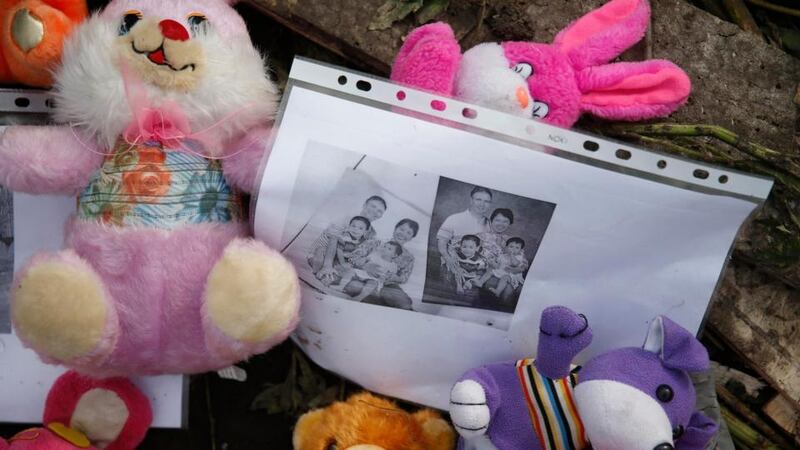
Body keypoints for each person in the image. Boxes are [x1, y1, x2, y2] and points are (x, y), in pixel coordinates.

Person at [344, 219, 420, 310]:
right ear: (395, 229)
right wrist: (366, 266)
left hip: (388, 285)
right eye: (401, 229)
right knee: (356, 291)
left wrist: (392, 277)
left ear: (412, 237)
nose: (403, 234)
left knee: (404, 303)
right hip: (364, 278)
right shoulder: (376, 242)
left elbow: (404, 278)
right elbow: (352, 257)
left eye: (408, 233)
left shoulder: (409, 257)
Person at [309, 195, 386, 280]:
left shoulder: (372, 233)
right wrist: (327, 266)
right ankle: (325, 271)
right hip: (323, 253)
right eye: (373, 206)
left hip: (341, 260)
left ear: (381, 216)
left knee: (361, 278)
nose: (374, 211)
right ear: (365, 205)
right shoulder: (345, 219)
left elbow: (359, 254)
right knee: (322, 267)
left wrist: (367, 265)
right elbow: (333, 240)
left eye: (379, 211)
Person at [436, 186, 492, 276]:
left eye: (486, 201)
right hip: (454, 264)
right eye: (478, 199)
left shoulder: (490, 224)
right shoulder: (454, 218)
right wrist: (448, 259)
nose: (482, 204)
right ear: (471, 200)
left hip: (478, 269)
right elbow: (442, 243)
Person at [331, 241, 402, 301]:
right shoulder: (375, 255)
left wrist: (384, 278)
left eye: (389, 249)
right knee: (351, 271)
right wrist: (364, 261)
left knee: (372, 284)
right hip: (364, 273)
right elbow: (365, 260)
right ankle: (340, 286)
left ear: (394, 255)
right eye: (385, 246)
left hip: (375, 278)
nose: (385, 249)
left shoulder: (393, 265)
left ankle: (360, 297)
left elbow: (390, 276)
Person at [315, 216, 371, 284]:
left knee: (348, 271)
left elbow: (361, 253)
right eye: (353, 226)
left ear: (365, 231)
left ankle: (332, 278)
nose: (355, 229)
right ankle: (323, 276)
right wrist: (343, 263)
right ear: (349, 226)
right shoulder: (345, 236)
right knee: (335, 266)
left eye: (360, 228)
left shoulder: (363, 241)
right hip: (337, 257)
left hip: (347, 260)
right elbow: (339, 251)